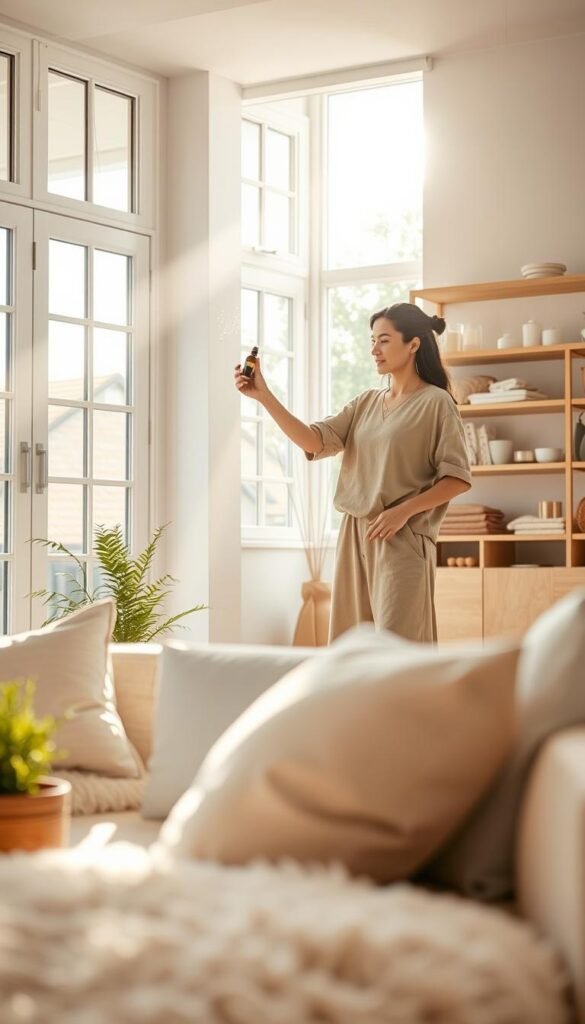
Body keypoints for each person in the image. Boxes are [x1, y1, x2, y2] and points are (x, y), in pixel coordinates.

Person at [235, 302, 472, 643]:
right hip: (352, 537)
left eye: (384, 340)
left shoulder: (437, 403)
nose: (374, 349)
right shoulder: (365, 403)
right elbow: (313, 441)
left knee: (398, 649)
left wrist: (403, 511)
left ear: (413, 344)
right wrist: (264, 396)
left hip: (401, 538)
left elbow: (457, 478)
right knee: (351, 645)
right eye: (373, 340)